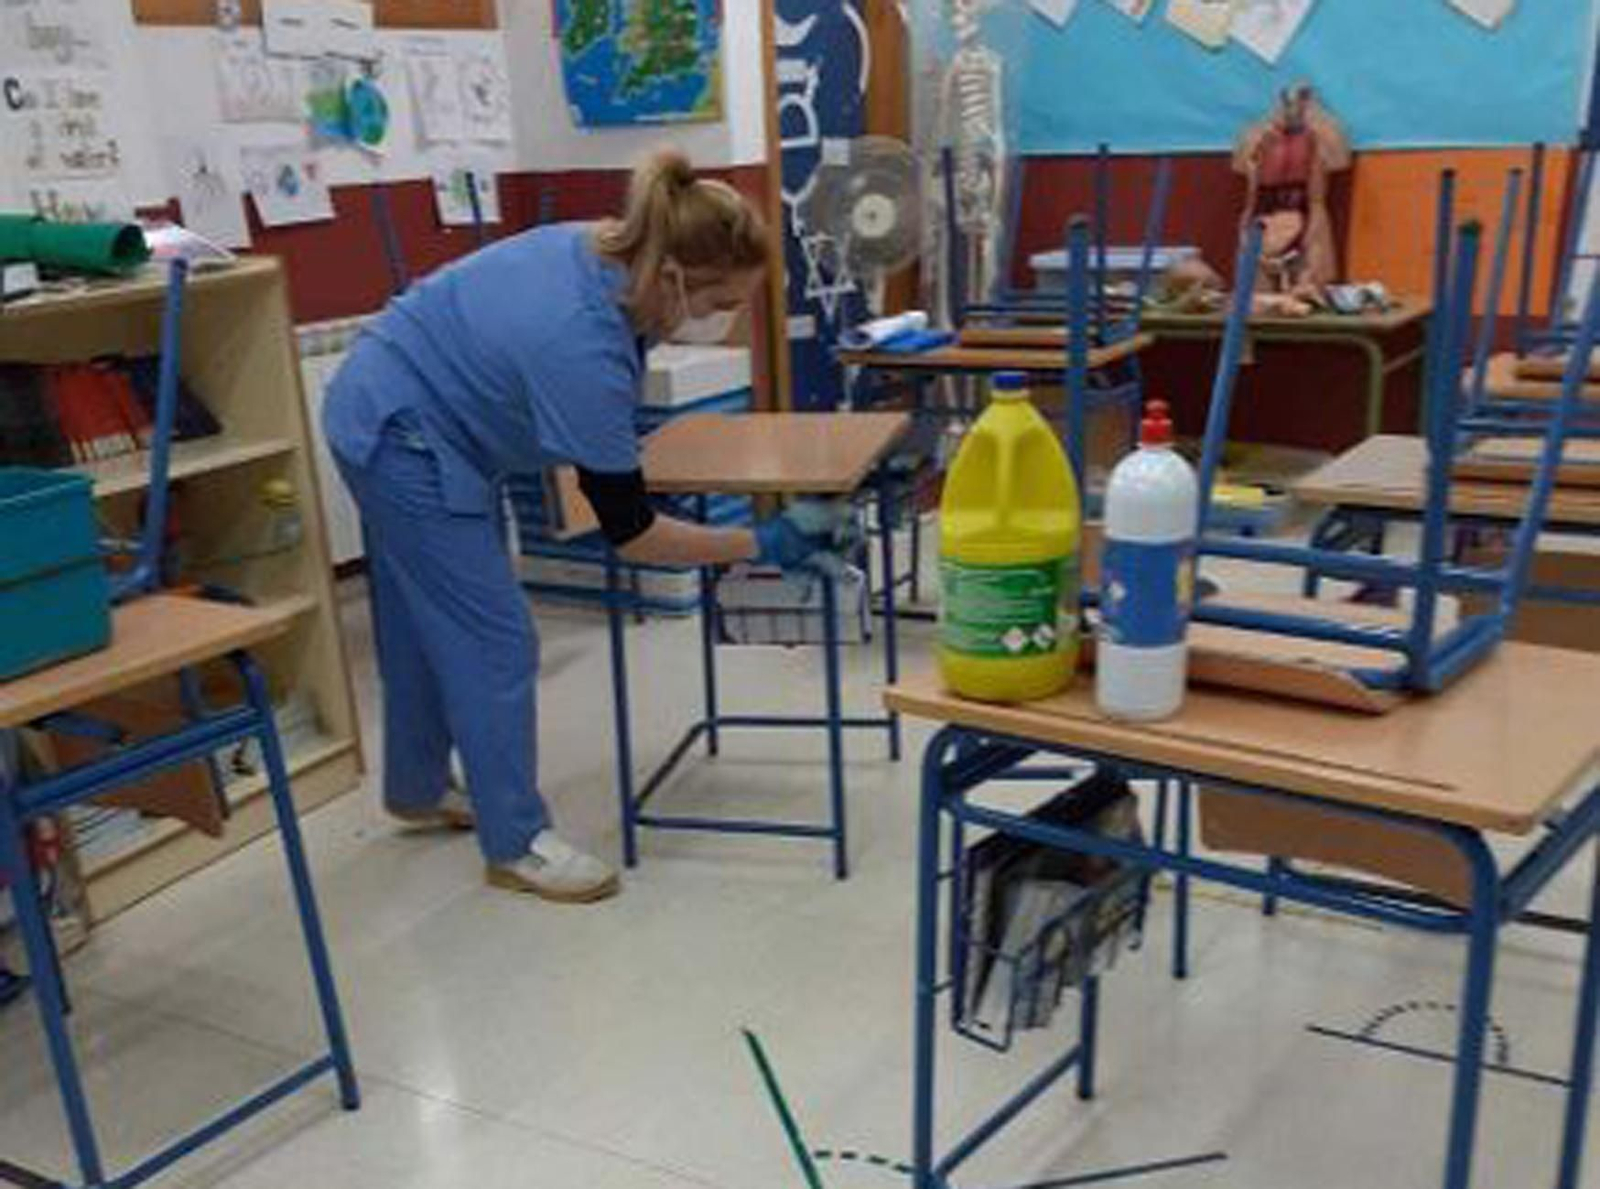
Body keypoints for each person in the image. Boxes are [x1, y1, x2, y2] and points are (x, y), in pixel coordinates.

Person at [323, 150, 850, 905]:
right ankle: (515, 844)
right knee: (495, 638)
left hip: (400, 398)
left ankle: (417, 787)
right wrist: (763, 543)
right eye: (718, 302)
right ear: (674, 277)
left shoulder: (613, 249)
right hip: (402, 436)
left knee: (421, 618)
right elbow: (633, 535)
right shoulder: (581, 341)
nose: (721, 320)